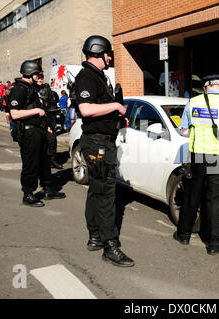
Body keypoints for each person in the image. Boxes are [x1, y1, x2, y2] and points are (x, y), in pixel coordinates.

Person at [75, 35, 134, 267]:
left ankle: (95, 236)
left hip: (101, 140)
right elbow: (86, 109)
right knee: (107, 195)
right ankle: (110, 246)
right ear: (99, 53)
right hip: (98, 143)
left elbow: (99, 112)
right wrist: (117, 106)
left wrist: (118, 119)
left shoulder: (97, 76)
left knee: (96, 191)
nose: (110, 58)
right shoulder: (88, 76)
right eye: (109, 54)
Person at [173, 74, 219, 255]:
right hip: (218, 158)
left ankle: (183, 234)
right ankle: (214, 243)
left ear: (205, 88)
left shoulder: (193, 102)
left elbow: (183, 131)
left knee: (192, 195)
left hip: (197, 156)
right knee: (214, 200)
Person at [7, 60, 65, 207]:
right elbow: (14, 114)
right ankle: (28, 194)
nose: (40, 77)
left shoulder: (31, 89)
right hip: (29, 134)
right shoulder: (19, 90)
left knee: (45, 162)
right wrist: (36, 111)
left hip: (39, 131)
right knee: (31, 164)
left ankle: (47, 190)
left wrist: (46, 126)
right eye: (37, 74)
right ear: (30, 74)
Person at [35, 74, 63, 170]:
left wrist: (54, 110)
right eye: (38, 77)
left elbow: (53, 105)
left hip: (47, 119)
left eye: (41, 77)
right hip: (34, 121)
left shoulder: (48, 91)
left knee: (52, 140)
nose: (40, 79)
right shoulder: (30, 90)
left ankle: (52, 159)